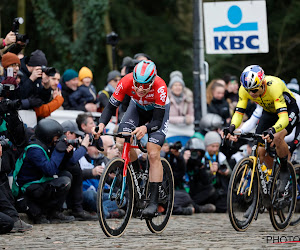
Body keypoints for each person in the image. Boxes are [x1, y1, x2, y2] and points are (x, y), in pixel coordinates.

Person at [96, 60, 170, 218]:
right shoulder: (126, 81)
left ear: (152, 81)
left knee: (152, 153)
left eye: (145, 85)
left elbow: (157, 121)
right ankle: (136, 173)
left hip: (157, 114)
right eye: (137, 84)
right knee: (122, 141)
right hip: (137, 108)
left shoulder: (160, 86)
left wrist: (145, 128)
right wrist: (101, 125)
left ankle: (153, 203)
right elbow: (110, 107)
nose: (140, 88)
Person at [226, 65, 299, 195]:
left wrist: (273, 130)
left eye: (254, 90)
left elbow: (283, 118)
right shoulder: (245, 89)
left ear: (262, 83)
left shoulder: (274, 86)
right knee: (260, 149)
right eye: (249, 90)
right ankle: (267, 182)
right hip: (269, 112)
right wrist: (232, 127)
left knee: (277, 137)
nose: (252, 94)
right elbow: (239, 112)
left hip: (288, 111)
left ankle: (283, 169)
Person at [12, 119, 75, 224]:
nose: (58, 140)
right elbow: (50, 170)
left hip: (40, 183)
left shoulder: (46, 146)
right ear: (48, 136)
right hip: (29, 188)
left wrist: (66, 155)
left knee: (67, 175)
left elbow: (59, 168)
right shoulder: (34, 149)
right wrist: (59, 151)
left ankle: (55, 212)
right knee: (64, 181)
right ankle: (47, 211)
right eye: (56, 137)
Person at [60, 120, 98, 221]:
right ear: (68, 133)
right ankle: (77, 210)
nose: (78, 138)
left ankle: (78, 210)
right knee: (74, 168)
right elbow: (71, 161)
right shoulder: (60, 144)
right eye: (76, 135)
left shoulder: (69, 146)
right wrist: (84, 147)